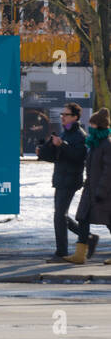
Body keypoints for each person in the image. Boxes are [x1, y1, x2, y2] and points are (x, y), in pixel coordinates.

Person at [38, 102, 87, 261]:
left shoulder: (80, 135)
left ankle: (62, 252)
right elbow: (57, 158)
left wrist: (63, 145)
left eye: (66, 115)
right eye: (62, 114)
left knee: (59, 216)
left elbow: (79, 157)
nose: (62, 117)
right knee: (61, 215)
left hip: (71, 179)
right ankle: (87, 235)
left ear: (75, 117)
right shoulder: (64, 133)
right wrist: (46, 149)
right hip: (60, 178)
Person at [69, 107, 110, 265]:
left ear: (98, 126)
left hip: (103, 193)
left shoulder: (106, 145)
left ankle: (80, 254)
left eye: (91, 124)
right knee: (83, 218)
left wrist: (101, 191)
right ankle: (80, 255)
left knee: (109, 222)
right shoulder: (94, 144)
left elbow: (108, 172)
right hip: (90, 190)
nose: (89, 127)